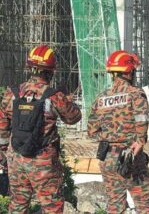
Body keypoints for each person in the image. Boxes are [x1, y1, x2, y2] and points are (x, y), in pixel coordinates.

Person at [0, 45, 81, 213]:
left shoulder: (12, 93)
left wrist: (3, 155)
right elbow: (73, 118)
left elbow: (2, 127)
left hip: (16, 159)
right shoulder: (53, 95)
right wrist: (68, 100)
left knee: (17, 205)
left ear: (30, 68)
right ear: (50, 71)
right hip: (43, 161)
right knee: (52, 206)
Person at [88, 50, 149, 213]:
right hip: (129, 155)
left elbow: (91, 131)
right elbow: (141, 120)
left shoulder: (101, 98)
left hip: (107, 158)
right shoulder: (135, 94)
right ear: (130, 71)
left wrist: (109, 138)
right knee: (144, 201)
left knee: (115, 205)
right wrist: (139, 141)